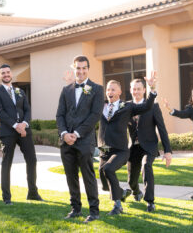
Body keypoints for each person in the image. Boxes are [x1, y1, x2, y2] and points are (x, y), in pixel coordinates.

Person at [98, 72, 157, 215]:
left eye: (112, 89)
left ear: (119, 92)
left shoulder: (127, 107)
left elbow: (147, 106)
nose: (109, 92)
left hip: (120, 150)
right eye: (107, 89)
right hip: (105, 150)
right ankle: (122, 193)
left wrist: (152, 89)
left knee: (109, 170)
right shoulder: (101, 106)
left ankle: (118, 206)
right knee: (104, 181)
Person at [56, 56, 103, 223]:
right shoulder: (66, 90)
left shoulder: (97, 89)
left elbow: (95, 116)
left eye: (84, 68)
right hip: (66, 141)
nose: (81, 71)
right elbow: (60, 115)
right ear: (74, 68)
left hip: (84, 141)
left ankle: (94, 211)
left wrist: (76, 134)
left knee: (88, 176)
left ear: (88, 69)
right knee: (71, 176)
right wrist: (64, 134)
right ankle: (75, 209)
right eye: (78, 68)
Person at [0, 64, 42, 205]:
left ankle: (32, 193)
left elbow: (27, 109)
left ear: (11, 74)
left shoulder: (20, 91)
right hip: (8, 131)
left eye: (8, 72)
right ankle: (7, 197)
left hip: (24, 131)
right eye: (3, 73)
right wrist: (15, 125)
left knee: (32, 160)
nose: (6, 74)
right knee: (7, 163)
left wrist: (24, 124)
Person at [125, 79, 172, 212]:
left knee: (146, 166)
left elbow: (162, 129)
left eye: (139, 89)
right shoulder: (126, 106)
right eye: (134, 89)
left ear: (144, 90)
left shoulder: (153, 106)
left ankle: (150, 201)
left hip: (149, 146)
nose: (136, 92)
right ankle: (136, 191)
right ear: (130, 90)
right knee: (131, 181)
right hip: (133, 147)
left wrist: (167, 151)